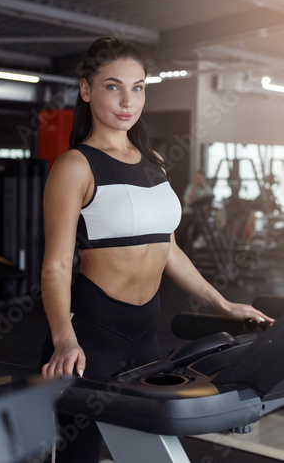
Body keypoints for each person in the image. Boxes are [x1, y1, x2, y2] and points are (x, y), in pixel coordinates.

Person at [40, 38, 272, 463]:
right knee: (80, 453)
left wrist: (223, 303)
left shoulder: (156, 162)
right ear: (86, 90)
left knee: (149, 450)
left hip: (144, 333)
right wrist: (64, 340)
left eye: (139, 87)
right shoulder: (75, 165)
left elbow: (169, 249)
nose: (128, 100)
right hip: (93, 333)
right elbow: (55, 266)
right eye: (113, 87)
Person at [177, 170, 212, 251]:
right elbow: (186, 200)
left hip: (199, 214)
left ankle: (196, 246)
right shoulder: (190, 187)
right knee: (182, 230)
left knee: (199, 228)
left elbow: (209, 198)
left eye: (199, 178)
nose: (197, 180)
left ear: (204, 179)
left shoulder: (206, 189)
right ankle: (183, 248)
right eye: (195, 178)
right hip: (188, 213)